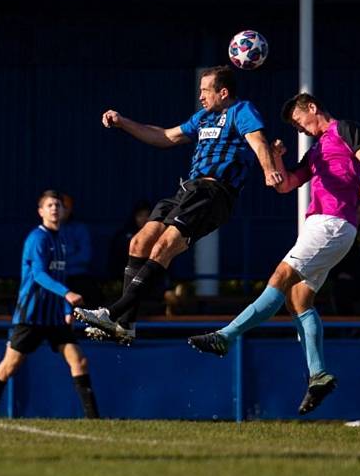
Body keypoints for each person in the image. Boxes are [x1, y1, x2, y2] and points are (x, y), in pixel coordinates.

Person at [188, 93, 360, 415]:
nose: (299, 129)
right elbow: (287, 184)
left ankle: (226, 335)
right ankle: (318, 375)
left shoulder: (344, 129)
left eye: (299, 121)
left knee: (279, 277)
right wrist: (276, 159)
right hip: (322, 227)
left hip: (332, 223)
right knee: (298, 301)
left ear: (313, 108)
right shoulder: (316, 150)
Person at [75, 65, 283, 344]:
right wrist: (123, 122)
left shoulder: (242, 110)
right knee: (139, 242)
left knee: (163, 247)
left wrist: (269, 169)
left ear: (223, 92)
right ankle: (125, 325)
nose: (201, 97)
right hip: (187, 190)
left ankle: (112, 314)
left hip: (213, 191)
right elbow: (165, 136)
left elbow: (258, 142)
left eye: (205, 91)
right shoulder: (203, 118)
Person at [0, 190, 99, 419]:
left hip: (54, 317)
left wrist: (66, 309)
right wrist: (67, 294)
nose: (55, 208)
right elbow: (38, 274)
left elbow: (62, 275)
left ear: (65, 211)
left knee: (79, 360)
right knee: (9, 366)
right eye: (50, 205)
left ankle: (95, 420)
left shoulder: (62, 239)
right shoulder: (38, 238)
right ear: (41, 211)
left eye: (58, 205)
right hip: (32, 315)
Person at [60, 193, 101, 308]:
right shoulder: (43, 233)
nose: (61, 210)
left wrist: (61, 261)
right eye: (59, 206)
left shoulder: (80, 229)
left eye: (65, 207)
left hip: (77, 277)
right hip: (54, 277)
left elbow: (85, 257)